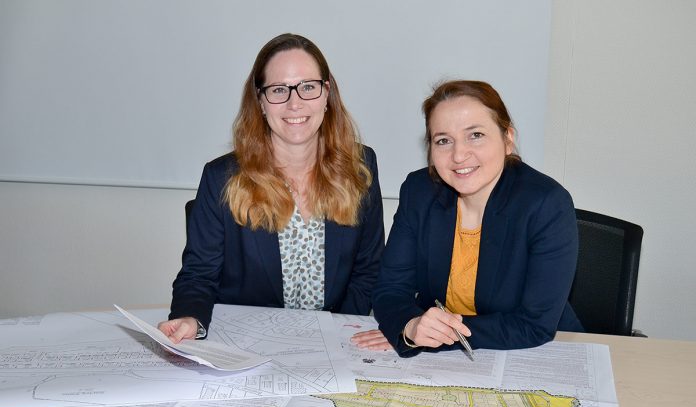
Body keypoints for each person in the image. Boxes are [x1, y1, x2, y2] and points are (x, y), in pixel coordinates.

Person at [159, 33, 385, 343]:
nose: (295, 103)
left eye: (308, 87)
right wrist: (189, 318)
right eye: (279, 90)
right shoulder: (221, 177)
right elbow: (199, 275)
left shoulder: (361, 166)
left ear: (326, 95)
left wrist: (337, 334)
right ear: (261, 102)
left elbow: (368, 269)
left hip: (334, 345)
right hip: (249, 345)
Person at [354, 80, 583, 356]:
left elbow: (533, 325)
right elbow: (389, 289)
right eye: (443, 140)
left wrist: (437, 335)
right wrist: (410, 327)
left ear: (507, 138)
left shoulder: (546, 204)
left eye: (475, 135)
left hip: (536, 351)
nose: (459, 155)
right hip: (452, 365)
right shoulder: (420, 191)